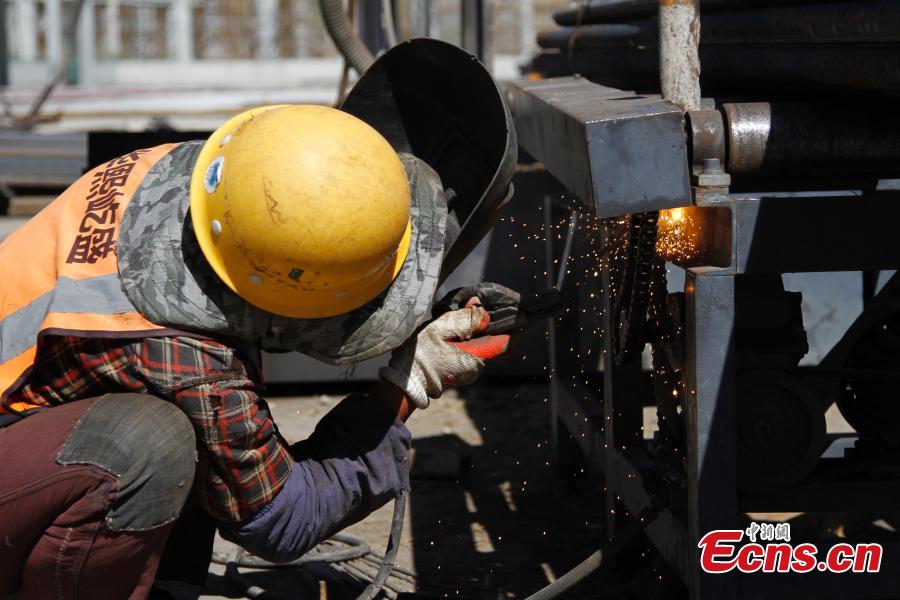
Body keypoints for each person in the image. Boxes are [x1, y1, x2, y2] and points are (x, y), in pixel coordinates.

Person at [0, 103, 511, 599]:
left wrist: (420, 311)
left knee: (188, 430)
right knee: (146, 444)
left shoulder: (204, 177)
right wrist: (409, 383)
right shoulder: (181, 354)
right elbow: (281, 518)